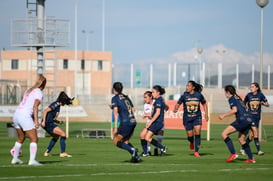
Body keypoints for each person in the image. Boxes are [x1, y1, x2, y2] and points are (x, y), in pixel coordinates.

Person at [11, 74, 47, 166]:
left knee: (21, 138)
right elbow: (35, 106)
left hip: (17, 114)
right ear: (44, 84)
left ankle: (15, 159)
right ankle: (32, 161)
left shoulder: (29, 90)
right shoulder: (39, 92)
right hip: (24, 115)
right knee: (34, 138)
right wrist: (36, 120)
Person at [219, 85, 255, 163]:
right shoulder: (238, 98)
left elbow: (234, 110)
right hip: (248, 120)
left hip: (242, 120)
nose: (225, 94)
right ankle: (251, 158)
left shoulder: (231, 98)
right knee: (241, 139)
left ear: (228, 92)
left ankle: (233, 154)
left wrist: (223, 115)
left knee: (224, 134)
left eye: (225, 92)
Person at [173, 80, 208, 157]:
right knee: (190, 136)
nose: (187, 87)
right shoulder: (184, 95)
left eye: (188, 86)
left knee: (198, 132)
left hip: (197, 117)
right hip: (187, 118)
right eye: (186, 85)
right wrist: (176, 108)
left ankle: (196, 151)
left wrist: (206, 114)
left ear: (193, 87)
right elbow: (178, 103)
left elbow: (204, 104)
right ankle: (192, 142)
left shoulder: (198, 95)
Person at [111, 82, 141, 163]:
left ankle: (133, 150)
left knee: (116, 141)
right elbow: (133, 109)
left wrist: (116, 127)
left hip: (125, 122)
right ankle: (137, 157)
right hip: (133, 121)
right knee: (126, 141)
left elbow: (116, 114)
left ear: (114, 89)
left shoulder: (115, 98)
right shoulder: (126, 97)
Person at [240, 82, 269, 156]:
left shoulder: (260, 95)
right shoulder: (248, 95)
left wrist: (262, 103)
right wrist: (245, 109)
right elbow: (243, 103)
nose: (251, 88)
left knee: (251, 136)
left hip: (257, 117)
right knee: (255, 133)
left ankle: (243, 148)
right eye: (250, 87)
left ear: (257, 88)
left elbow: (267, 104)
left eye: (252, 87)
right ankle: (259, 150)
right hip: (250, 117)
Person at [41, 91, 74, 158]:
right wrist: (43, 121)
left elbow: (53, 118)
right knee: (63, 134)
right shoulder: (56, 104)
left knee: (56, 136)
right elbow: (45, 111)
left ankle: (47, 152)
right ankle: (62, 153)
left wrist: (59, 122)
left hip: (49, 123)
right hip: (48, 123)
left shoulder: (58, 106)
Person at [140, 85, 168, 157]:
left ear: (158, 93)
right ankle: (146, 152)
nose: (152, 94)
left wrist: (150, 121)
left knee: (147, 137)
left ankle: (162, 148)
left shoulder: (158, 101)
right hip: (156, 122)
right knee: (143, 135)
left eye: (153, 92)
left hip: (157, 122)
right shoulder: (159, 100)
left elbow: (158, 113)